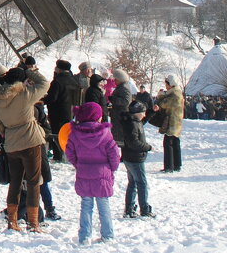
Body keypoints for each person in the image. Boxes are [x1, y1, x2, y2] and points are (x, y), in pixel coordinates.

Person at [0, 63, 50, 232]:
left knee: (15, 182)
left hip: (11, 143)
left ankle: (12, 221)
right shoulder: (24, 94)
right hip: (30, 140)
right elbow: (45, 84)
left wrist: (9, 132)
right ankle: (33, 223)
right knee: (33, 182)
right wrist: (29, 72)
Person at [66, 101, 119, 245]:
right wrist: (111, 168)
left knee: (86, 205)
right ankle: (107, 235)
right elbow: (114, 154)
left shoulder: (75, 133)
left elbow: (69, 152)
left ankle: (84, 237)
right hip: (102, 174)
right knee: (104, 205)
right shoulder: (105, 133)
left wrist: (78, 164)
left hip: (84, 173)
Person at [121, 100, 154, 218]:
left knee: (133, 183)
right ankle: (144, 209)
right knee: (142, 183)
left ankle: (129, 209)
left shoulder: (134, 121)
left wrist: (151, 112)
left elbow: (142, 122)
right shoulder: (132, 124)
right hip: (135, 158)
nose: (144, 115)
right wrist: (148, 147)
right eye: (143, 112)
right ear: (137, 113)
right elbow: (133, 143)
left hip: (129, 157)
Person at [44, 60, 81, 161]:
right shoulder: (74, 81)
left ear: (59, 69)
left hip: (57, 112)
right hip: (71, 111)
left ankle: (58, 155)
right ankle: (68, 154)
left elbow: (52, 98)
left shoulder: (57, 81)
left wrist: (42, 100)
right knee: (67, 133)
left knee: (56, 133)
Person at [155, 74, 184, 172]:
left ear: (171, 84)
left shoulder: (174, 95)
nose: (166, 86)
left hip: (172, 122)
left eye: (167, 84)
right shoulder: (177, 93)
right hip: (176, 122)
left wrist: (160, 96)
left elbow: (163, 104)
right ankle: (177, 165)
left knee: (168, 143)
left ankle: (169, 166)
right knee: (175, 142)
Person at [108, 69, 133, 146]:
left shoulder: (124, 87)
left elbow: (126, 101)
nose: (114, 81)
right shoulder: (121, 86)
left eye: (116, 79)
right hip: (117, 114)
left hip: (120, 115)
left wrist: (113, 99)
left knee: (118, 136)